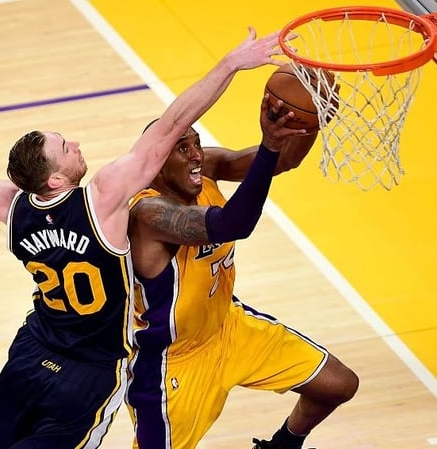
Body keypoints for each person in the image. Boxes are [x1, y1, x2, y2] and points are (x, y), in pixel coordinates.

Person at [0, 26, 290, 449]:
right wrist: (230, 64)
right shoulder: (102, 201)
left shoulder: (12, 208)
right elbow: (171, 125)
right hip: (89, 373)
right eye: (66, 147)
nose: (78, 145)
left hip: (30, 353)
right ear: (54, 179)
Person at [126, 100, 360, 448]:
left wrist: (309, 117)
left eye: (196, 143)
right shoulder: (148, 213)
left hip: (227, 326)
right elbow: (233, 223)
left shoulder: (205, 169)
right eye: (182, 148)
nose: (196, 155)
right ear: (156, 162)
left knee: (338, 384)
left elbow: (284, 160)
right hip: (171, 360)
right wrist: (269, 145)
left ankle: (283, 445)